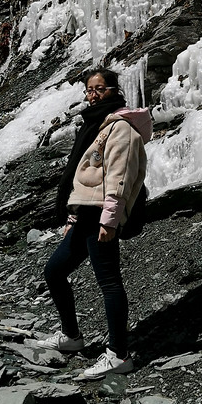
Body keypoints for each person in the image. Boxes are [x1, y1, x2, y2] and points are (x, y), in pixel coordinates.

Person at [37, 67, 152, 379]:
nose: (93, 95)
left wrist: (110, 220)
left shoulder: (123, 128)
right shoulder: (96, 124)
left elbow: (119, 177)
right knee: (54, 271)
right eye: (89, 90)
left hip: (102, 216)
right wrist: (73, 213)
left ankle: (118, 354)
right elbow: (86, 175)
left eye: (99, 89)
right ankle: (72, 337)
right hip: (86, 214)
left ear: (114, 90)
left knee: (109, 283)